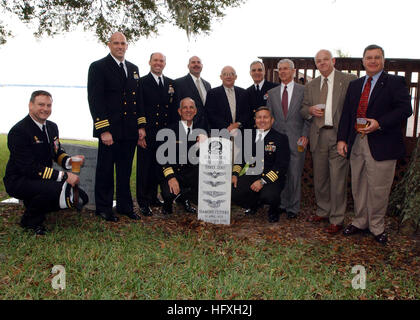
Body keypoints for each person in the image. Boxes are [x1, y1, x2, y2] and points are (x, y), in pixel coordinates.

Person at [337, 44, 412, 245]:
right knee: (359, 185)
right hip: (356, 142)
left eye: (376, 57)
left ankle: (377, 226)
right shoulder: (355, 85)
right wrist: (342, 139)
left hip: (382, 143)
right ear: (363, 61)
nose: (372, 61)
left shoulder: (395, 82)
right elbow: (347, 115)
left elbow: (406, 110)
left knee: (378, 188)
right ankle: (360, 221)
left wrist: (380, 123)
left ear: (383, 60)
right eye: (369, 57)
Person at [3, 90, 88, 235]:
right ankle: (30, 221)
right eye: (41, 104)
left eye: (48, 105)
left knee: (81, 196)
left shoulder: (52, 127)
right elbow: (29, 168)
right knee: (58, 190)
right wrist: (65, 176)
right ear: (30, 105)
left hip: (40, 178)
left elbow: (56, 152)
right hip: (19, 180)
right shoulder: (19, 131)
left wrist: (69, 160)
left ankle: (35, 204)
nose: (45, 109)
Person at [88, 32, 145, 222]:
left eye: (123, 43)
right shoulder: (98, 67)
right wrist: (103, 129)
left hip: (129, 131)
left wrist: (141, 126)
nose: (120, 46)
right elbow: (95, 100)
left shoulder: (134, 68)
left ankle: (124, 206)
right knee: (105, 171)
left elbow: (138, 100)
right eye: (116, 43)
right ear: (109, 44)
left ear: (127, 46)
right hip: (110, 131)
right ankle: (103, 208)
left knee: (124, 171)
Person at [300, 49, 357, 234]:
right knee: (320, 178)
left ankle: (337, 218)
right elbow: (302, 109)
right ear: (315, 64)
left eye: (325, 59)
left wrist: (347, 137)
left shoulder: (348, 80)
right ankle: (323, 211)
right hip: (318, 136)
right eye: (318, 61)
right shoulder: (311, 85)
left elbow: (353, 109)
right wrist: (310, 110)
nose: (322, 63)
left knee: (338, 179)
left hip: (339, 136)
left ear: (333, 60)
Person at [267, 59, 310, 219]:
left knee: (294, 173)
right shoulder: (272, 93)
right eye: (280, 69)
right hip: (278, 140)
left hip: (297, 139)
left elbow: (308, 116)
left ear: (293, 71)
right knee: (279, 173)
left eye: (286, 69)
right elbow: (270, 117)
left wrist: (305, 135)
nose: (283, 72)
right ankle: (282, 204)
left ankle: (293, 207)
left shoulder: (304, 91)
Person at [231, 107, 290, 223]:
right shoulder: (248, 136)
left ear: (272, 120)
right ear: (255, 120)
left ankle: (273, 209)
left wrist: (263, 181)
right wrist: (234, 174)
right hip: (252, 174)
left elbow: (281, 166)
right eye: (259, 117)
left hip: (271, 178)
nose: (262, 120)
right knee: (234, 191)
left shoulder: (280, 138)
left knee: (269, 195)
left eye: (265, 117)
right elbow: (240, 159)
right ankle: (254, 204)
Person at [136, 52, 178, 216]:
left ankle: (153, 197)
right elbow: (138, 107)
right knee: (144, 169)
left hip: (165, 134)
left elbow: (173, 110)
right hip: (148, 133)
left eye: (161, 61)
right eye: (156, 60)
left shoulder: (170, 84)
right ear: (149, 62)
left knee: (159, 168)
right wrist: (141, 130)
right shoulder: (141, 82)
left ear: (165, 64)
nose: (158, 63)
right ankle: (143, 202)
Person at [159, 98, 204, 214]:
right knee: (169, 194)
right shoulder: (170, 130)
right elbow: (163, 158)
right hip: (174, 173)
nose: (188, 110)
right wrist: (171, 178)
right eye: (185, 107)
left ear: (195, 111)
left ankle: (184, 199)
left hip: (190, 174)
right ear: (179, 111)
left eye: (191, 107)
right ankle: (168, 202)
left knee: (203, 187)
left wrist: (205, 144)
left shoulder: (201, 132)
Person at [174, 56, 211, 131]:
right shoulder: (179, 83)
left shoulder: (207, 85)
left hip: (206, 128)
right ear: (188, 66)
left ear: (202, 66)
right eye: (193, 62)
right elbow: (176, 107)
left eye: (198, 62)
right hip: (187, 128)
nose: (196, 64)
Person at [205, 66, 246, 132]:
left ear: (236, 77)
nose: (228, 77)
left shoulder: (243, 93)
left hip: (241, 132)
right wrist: (227, 127)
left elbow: (246, 113)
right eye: (225, 74)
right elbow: (211, 114)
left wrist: (238, 124)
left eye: (231, 74)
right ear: (221, 77)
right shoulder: (212, 93)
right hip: (220, 133)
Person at [242, 61, 279, 128]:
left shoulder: (274, 88)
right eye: (253, 70)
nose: (257, 72)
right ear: (250, 73)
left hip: (271, 130)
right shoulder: (246, 92)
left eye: (259, 70)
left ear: (264, 72)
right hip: (251, 130)